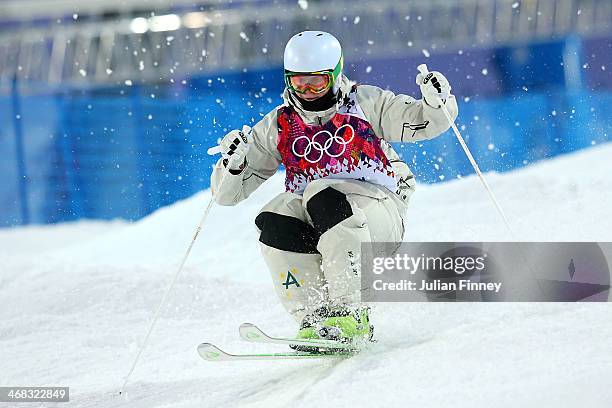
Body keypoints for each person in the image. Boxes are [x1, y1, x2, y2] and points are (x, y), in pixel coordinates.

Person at [211, 31, 458, 348]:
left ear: (335, 75)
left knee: (322, 194)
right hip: (324, 219)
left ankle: (350, 312)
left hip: (378, 213)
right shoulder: (279, 125)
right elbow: (225, 195)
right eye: (300, 83)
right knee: (276, 215)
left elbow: (423, 122)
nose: (309, 92)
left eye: (317, 82)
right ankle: (314, 317)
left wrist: (437, 103)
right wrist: (234, 165)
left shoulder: (366, 104)